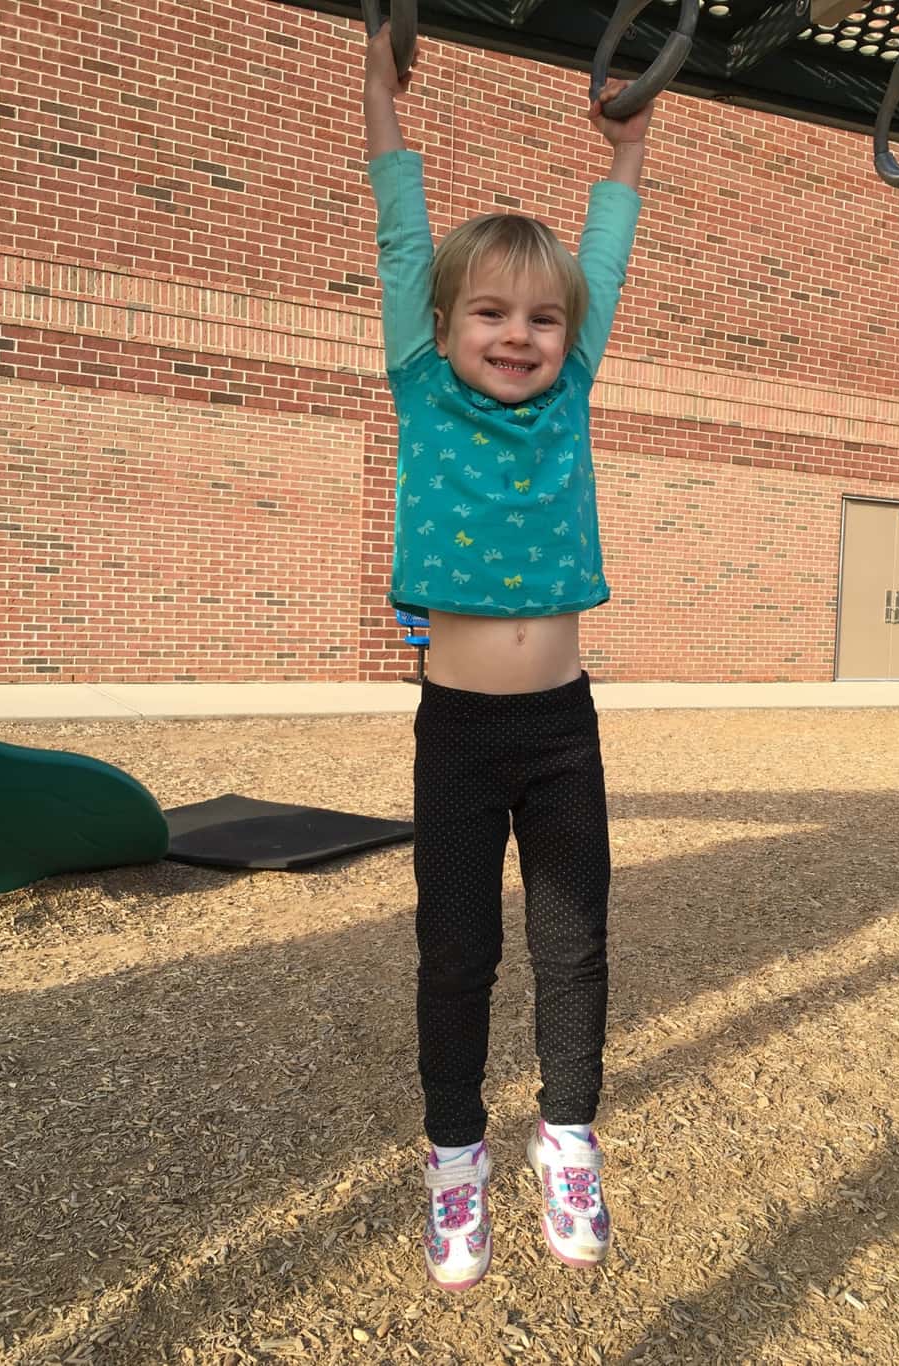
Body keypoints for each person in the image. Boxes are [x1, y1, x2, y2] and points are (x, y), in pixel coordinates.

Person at [363, 21, 655, 1291]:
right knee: (457, 951)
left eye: (542, 318)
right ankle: (453, 1161)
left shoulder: (573, 386)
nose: (522, 333)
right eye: (491, 310)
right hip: (460, 736)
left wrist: (627, 151)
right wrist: (379, 98)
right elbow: (396, 227)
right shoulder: (421, 385)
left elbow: (604, 258)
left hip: (564, 724)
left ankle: (569, 1139)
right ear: (442, 321)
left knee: (575, 943)